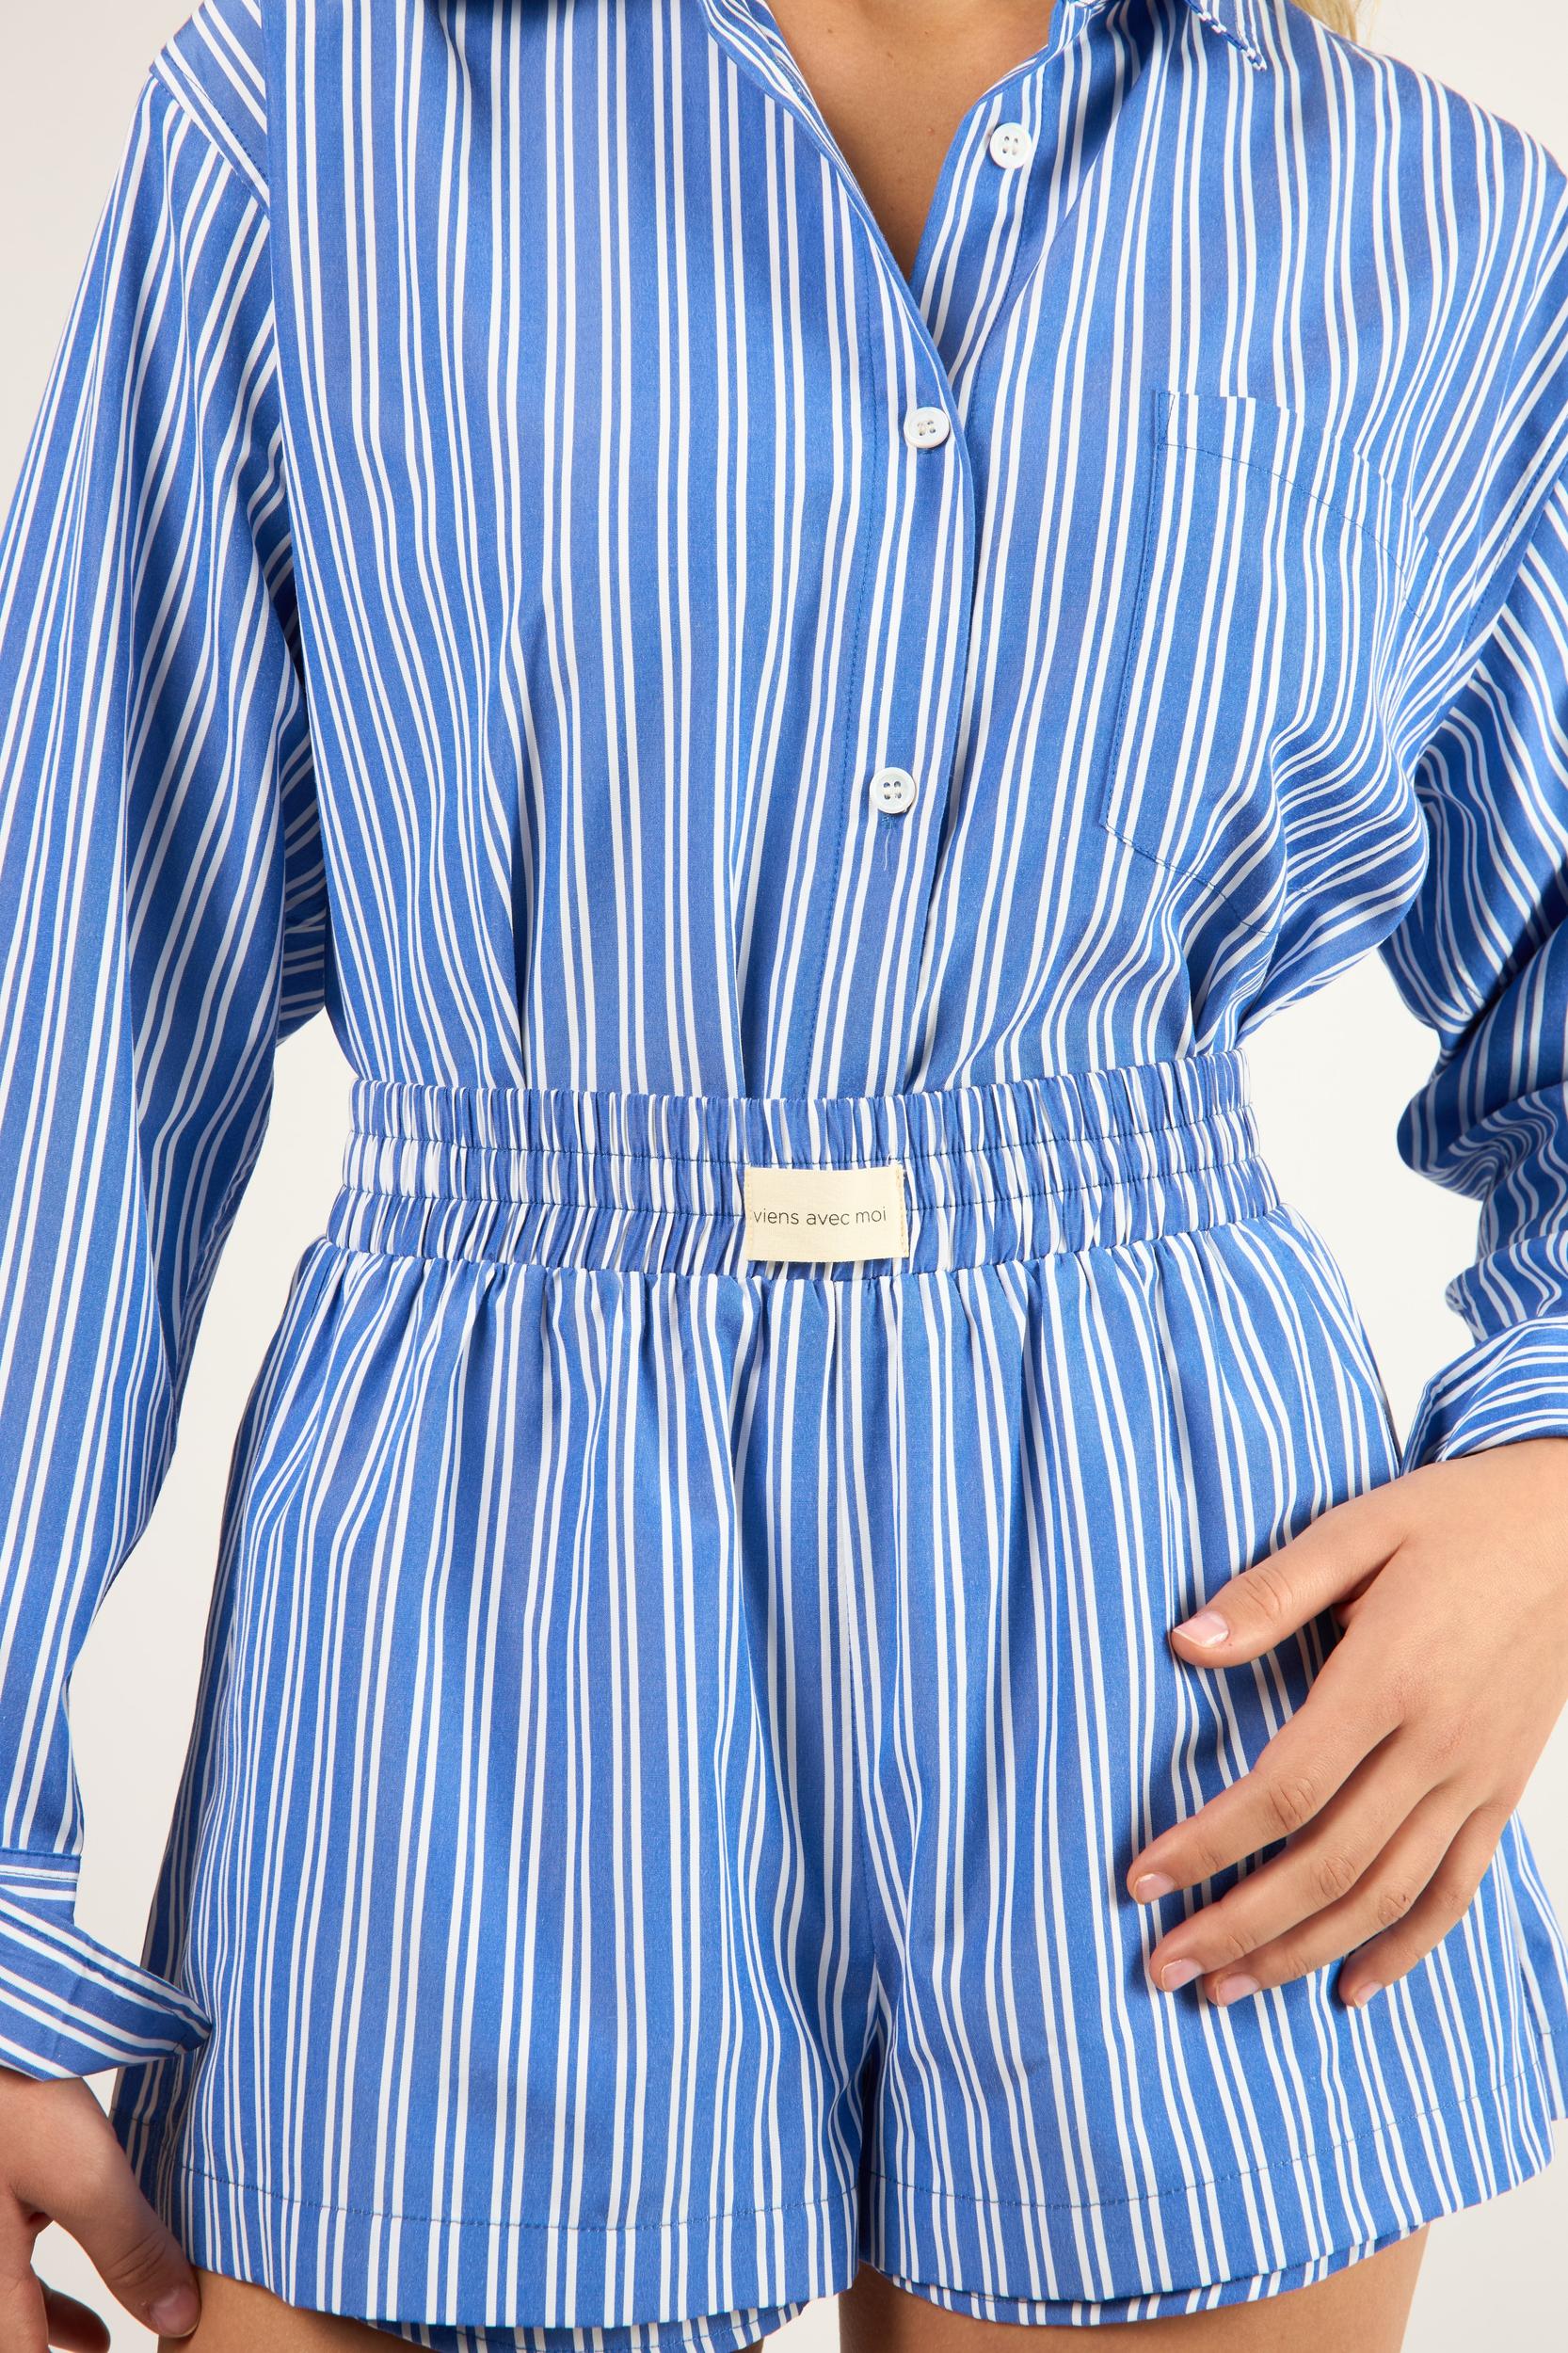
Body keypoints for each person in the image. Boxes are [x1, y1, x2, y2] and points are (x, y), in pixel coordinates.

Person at [2, 0, 1568, 2347]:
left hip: (1180, 1630)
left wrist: (1550, 1487)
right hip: (476, 1600)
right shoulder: (311, 116)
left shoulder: (1437, 224)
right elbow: (69, 1016)